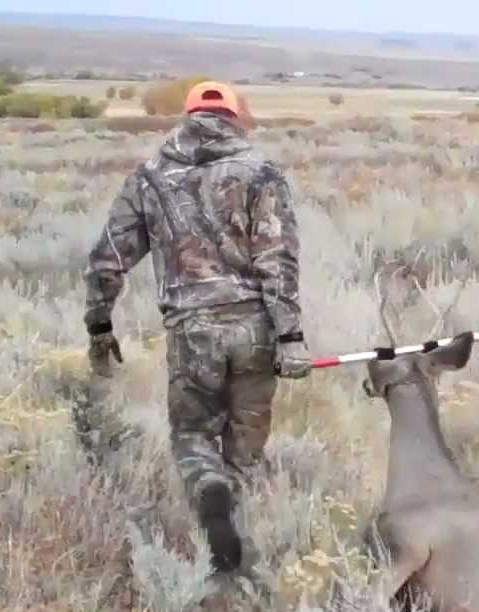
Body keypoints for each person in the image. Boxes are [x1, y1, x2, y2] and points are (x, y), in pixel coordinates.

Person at [82, 80, 311, 573]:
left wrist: (99, 324)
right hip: (255, 329)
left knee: (192, 437)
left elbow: (108, 259)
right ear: (234, 117)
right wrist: (290, 335)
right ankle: (244, 552)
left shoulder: (150, 177)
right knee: (247, 447)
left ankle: (210, 498)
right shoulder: (261, 172)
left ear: (187, 116)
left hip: (192, 330)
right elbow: (279, 260)